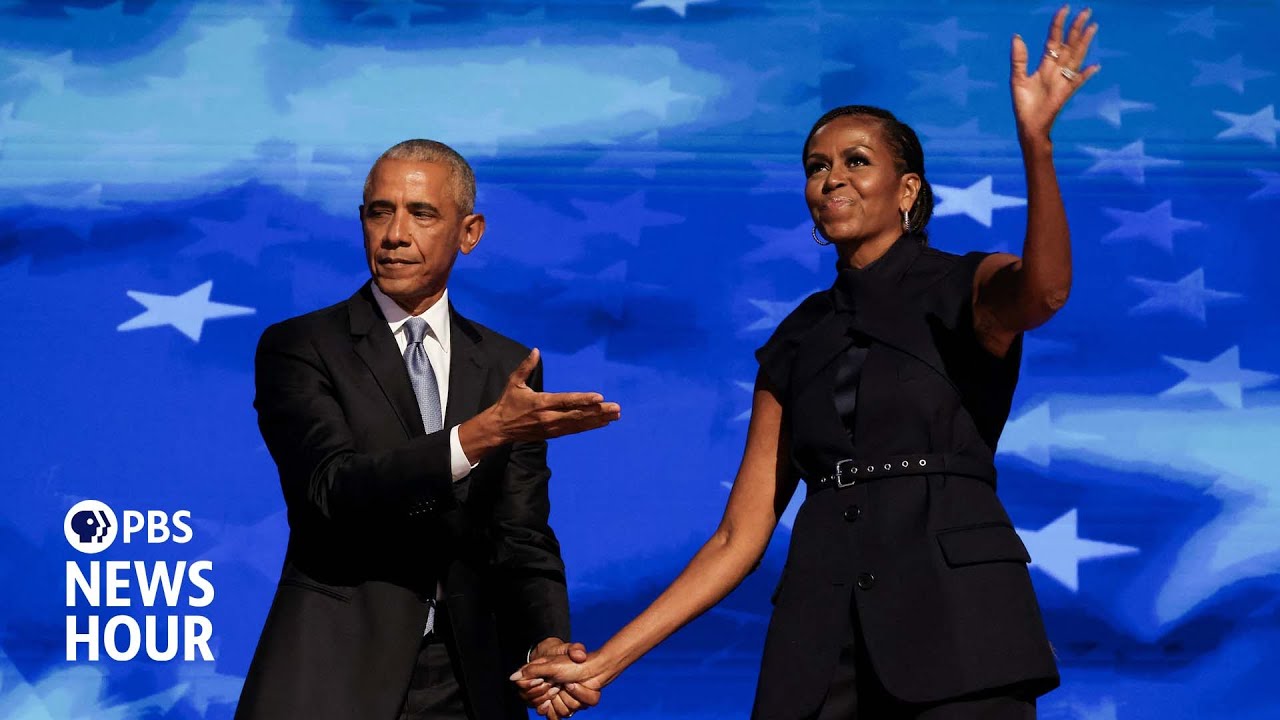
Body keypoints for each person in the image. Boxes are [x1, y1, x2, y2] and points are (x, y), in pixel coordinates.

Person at [512, 7, 1097, 719]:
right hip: (821, 645)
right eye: (816, 167)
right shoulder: (799, 337)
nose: (831, 180)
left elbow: (1048, 290)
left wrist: (1036, 144)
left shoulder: (964, 285)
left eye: (856, 162)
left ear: (907, 190)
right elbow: (738, 537)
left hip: (959, 632)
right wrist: (605, 663)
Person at [235, 139, 620, 720]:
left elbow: (521, 532)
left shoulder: (505, 365)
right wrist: (480, 436)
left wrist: (545, 638)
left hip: (470, 682)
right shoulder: (301, 346)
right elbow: (332, 488)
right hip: (335, 675)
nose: (394, 234)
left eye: (421, 213)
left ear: (470, 233)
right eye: (378, 211)